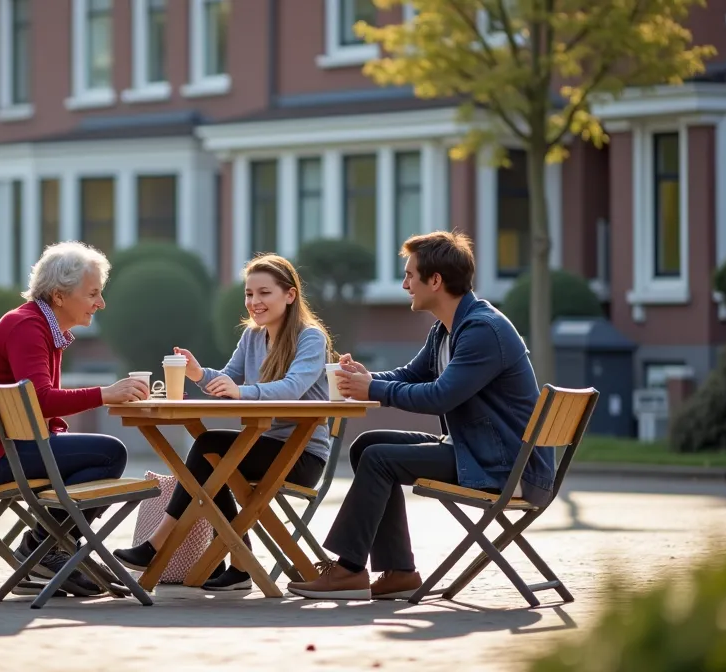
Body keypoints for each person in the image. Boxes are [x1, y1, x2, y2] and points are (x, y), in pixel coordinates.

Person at [286, 231, 550, 600]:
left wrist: (372, 390)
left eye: (410, 275)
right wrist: (364, 378)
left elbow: (440, 396)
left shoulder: (482, 331)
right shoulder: (447, 328)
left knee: (380, 459)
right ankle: (399, 572)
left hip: (509, 467)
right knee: (367, 446)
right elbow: (411, 375)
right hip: (481, 451)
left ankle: (348, 570)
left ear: (435, 280)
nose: (405, 284)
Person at [113, 253, 334, 591]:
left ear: (290, 295)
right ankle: (238, 565)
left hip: (301, 455)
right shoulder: (252, 337)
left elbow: (292, 387)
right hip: (266, 447)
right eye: (249, 293)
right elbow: (228, 379)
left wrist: (242, 391)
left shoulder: (311, 338)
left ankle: (159, 544)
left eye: (264, 293)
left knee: (211, 450)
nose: (254, 301)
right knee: (213, 457)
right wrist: (198, 373)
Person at [0, 241, 150, 597]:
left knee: (98, 455)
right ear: (59, 296)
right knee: (110, 454)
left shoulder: (37, 325)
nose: (100, 303)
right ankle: (46, 548)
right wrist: (105, 394)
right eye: (93, 294)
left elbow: (37, 404)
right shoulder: (28, 327)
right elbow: (39, 400)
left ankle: (47, 549)